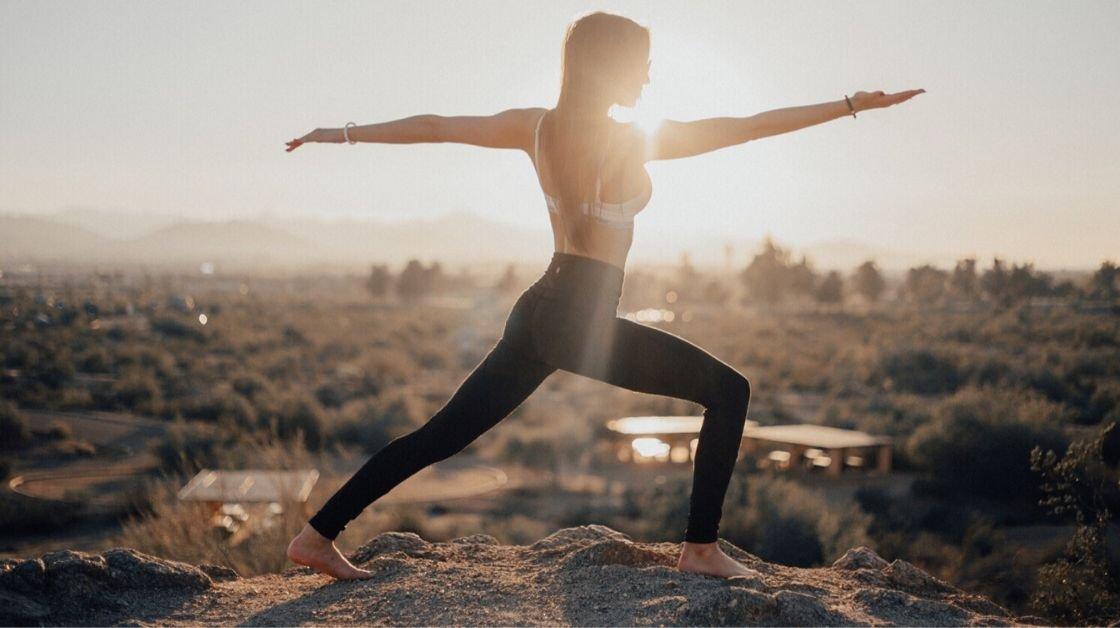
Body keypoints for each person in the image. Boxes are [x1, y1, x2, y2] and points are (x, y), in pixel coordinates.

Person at [283, 10, 924, 581]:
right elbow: (747, 128)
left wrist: (337, 133)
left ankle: (316, 536)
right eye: (641, 68)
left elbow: (435, 126)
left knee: (440, 436)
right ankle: (700, 547)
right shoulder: (628, 140)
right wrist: (850, 105)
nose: (647, 81)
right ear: (610, 68)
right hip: (577, 314)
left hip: (541, 307)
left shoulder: (536, 127)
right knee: (730, 391)